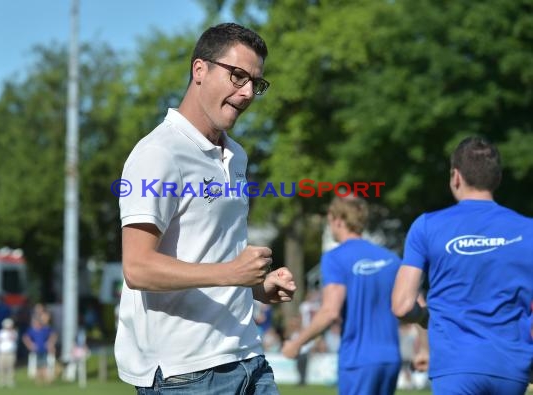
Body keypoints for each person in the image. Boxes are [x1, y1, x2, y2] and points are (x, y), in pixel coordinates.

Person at [115, 22, 296, 394]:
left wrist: (257, 286)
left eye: (255, 83)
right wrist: (233, 273)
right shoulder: (158, 154)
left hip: (249, 358)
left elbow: (209, 258)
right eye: (237, 76)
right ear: (200, 70)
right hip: (188, 374)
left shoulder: (237, 155)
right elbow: (137, 268)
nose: (247, 93)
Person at [392, 136, 533, 394]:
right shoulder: (529, 230)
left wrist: (424, 316)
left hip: (455, 366)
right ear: (497, 178)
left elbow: (401, 306)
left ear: (455, 176)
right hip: (512, 367)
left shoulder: (426, 226)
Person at [282, 197, 402, 395]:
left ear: (338, 220)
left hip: (358, 359)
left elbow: (330, 311)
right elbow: (415, 304)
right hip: (391, 358)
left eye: (329, 221)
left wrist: (296, 343)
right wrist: (424, 349)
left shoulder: (335, 257)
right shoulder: (391, 259)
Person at [0, 318, 18, 388]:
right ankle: (1, 381)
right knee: (1, 367)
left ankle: (10, 381)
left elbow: (13, 338)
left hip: (10, 353)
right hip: (1, 353)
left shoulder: (14, 332)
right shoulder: (0, 332)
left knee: (10, 367)